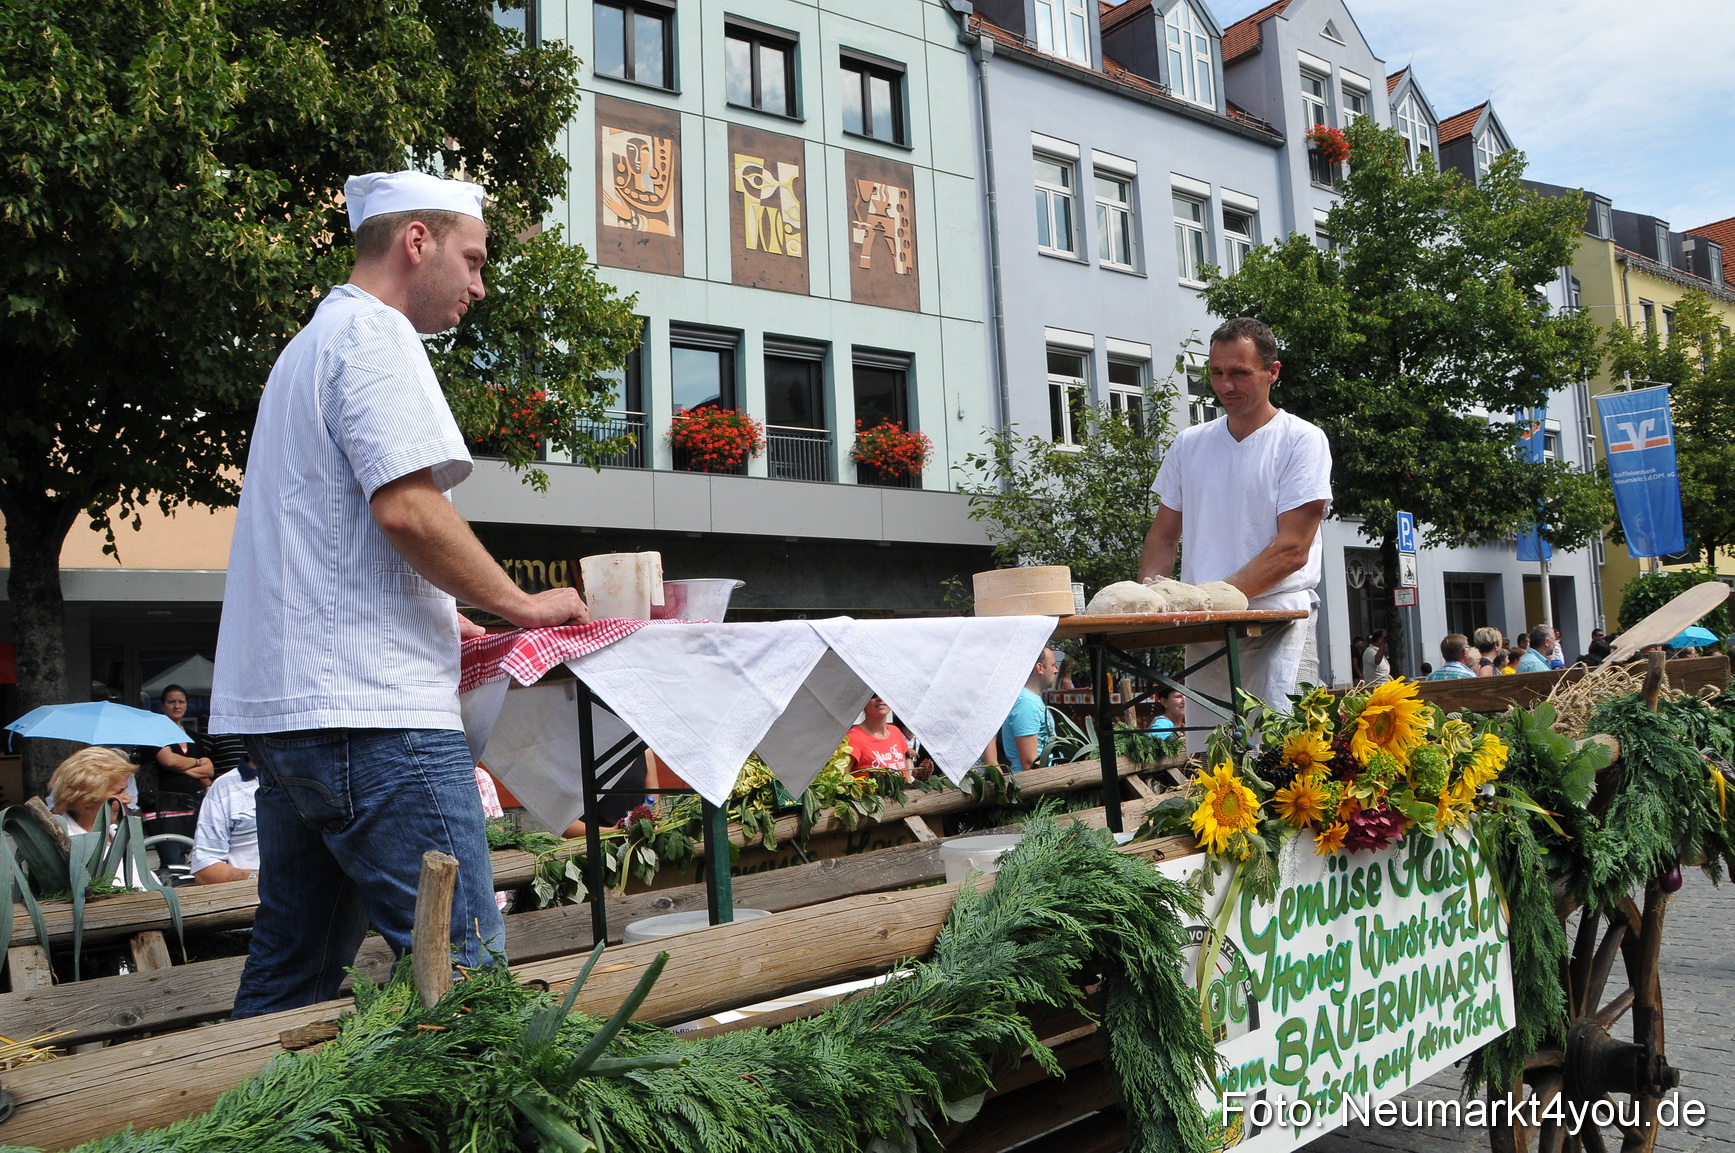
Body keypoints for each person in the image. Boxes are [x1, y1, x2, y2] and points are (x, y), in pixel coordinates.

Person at [209, 170, 590, 1019]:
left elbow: (333, 534)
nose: (479, 287)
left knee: (289, 981)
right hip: (375, 718)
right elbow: (407, 508)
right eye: (474, 258)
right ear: (416, 241)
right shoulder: (377, 336)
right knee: (467, 986)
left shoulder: (307, 348)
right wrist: (517, 605)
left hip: (292, 720)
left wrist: (440, 609)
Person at [1138, 318, 1331, 751]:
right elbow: (1163, 537)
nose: (1226, 385)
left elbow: (1293, 549)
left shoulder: (1303, 440)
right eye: (1216, 372)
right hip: (1206, 631)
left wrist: (1209, 600)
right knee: (1210, 765)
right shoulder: (1189, 444)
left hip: (1279, 623)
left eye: (1239, 372)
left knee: (1283, 762)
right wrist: (1150, 599)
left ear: (1273, 372)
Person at [47, 747, 146, 890]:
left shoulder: (117, 832)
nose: (127, 799)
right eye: (119, 792)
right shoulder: (68, 848)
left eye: (126, 789)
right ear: (86, 802)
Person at [143, 684, 212, 869]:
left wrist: (184, 767)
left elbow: (209, 770)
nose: (176, 706)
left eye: (181, 702)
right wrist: (196, 762)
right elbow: (169, 761)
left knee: (193, 865)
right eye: (171, 701)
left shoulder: (193, 736)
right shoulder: (154, 733)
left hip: (191, 808)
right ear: (162, 706)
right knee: (172, 864)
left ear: (187, 705)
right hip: (163, 810)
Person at [189, 753, 260, 885]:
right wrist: (257, 878)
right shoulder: (224, 787)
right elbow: (204, 871)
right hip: (250, 898)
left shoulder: (308, 776)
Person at [999, 647, 1059, 772]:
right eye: (1053, 665)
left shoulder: (1030, 699)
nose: (1056, 670)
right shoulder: (1025, 703)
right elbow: (1029, 762)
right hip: (1038, 783)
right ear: (1040, 668)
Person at [846, 695, 913, 779]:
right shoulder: (853, 737)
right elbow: (841, 779)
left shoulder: (896, 732)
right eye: (873, 695)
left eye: (883, 693)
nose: (880, 698)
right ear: (863, 702)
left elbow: (906, 776)